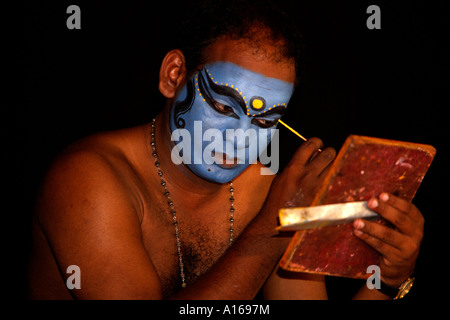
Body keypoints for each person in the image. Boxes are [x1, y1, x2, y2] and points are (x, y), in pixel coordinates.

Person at [27, 0, 424, 299]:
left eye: (266, 120)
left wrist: (386, 279)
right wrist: (273, 229)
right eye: (222, 105)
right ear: (174, 75)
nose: (241, 139)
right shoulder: (86, 179)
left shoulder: (266, 190)